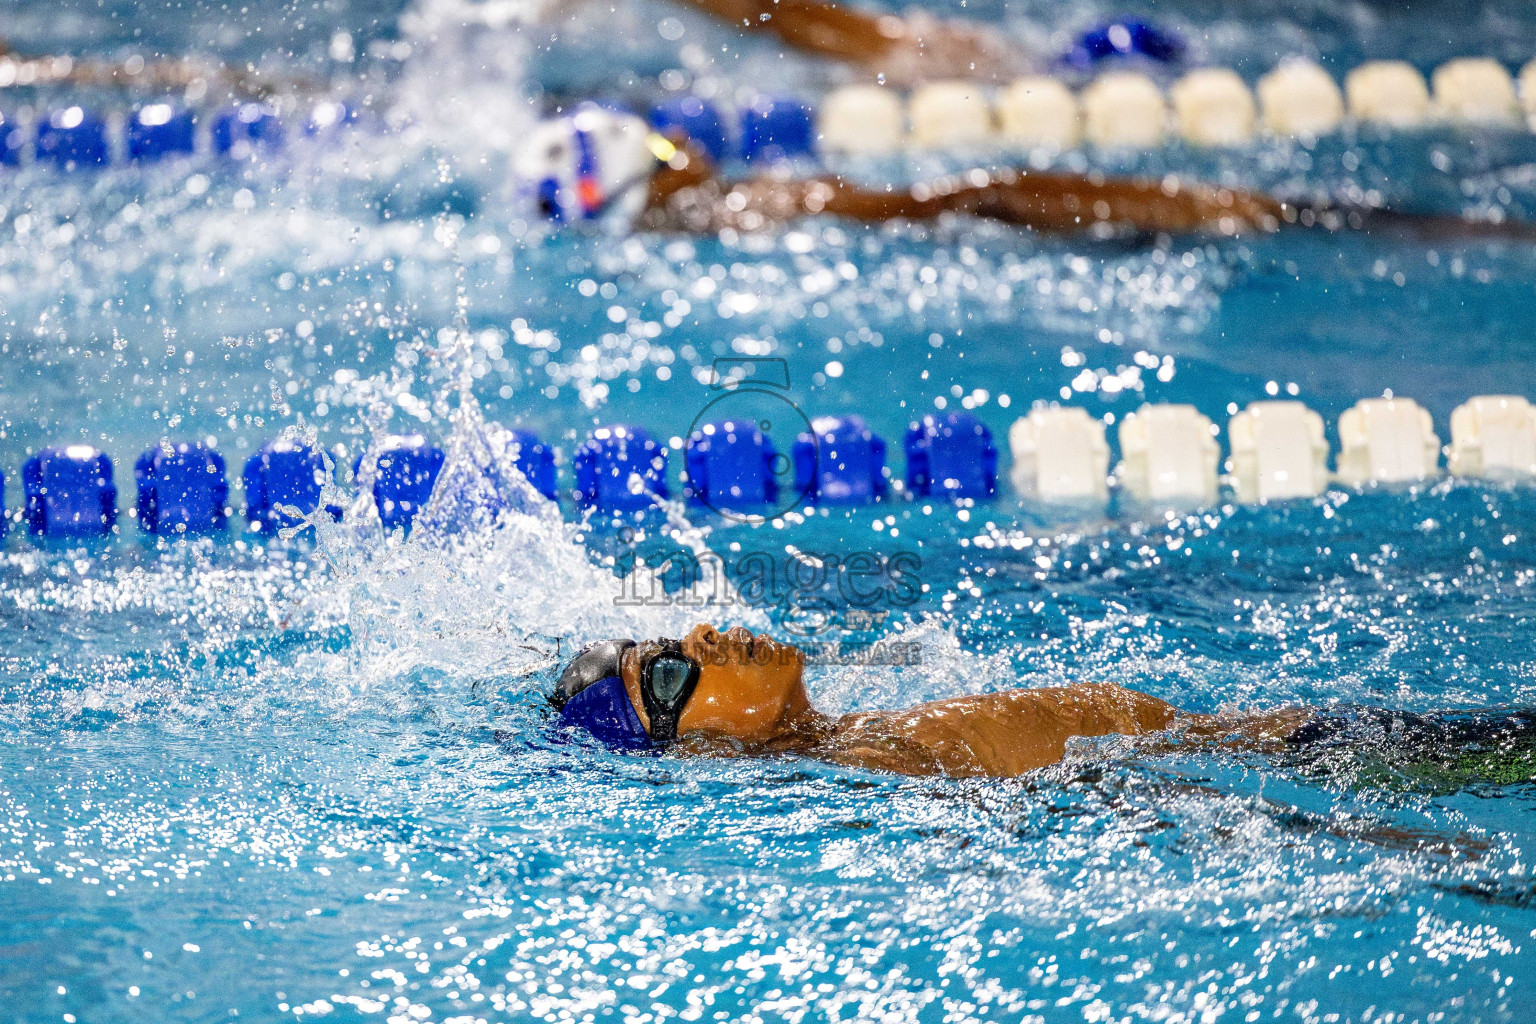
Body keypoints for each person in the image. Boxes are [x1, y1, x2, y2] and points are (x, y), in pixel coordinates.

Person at [551, 623, 1536, 783]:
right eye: (673, 675)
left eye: (676, 640)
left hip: (1290, 741)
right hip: (1323, 759)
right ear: (703, 750)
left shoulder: (857, 732)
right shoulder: (868, 764)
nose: (706, 641)